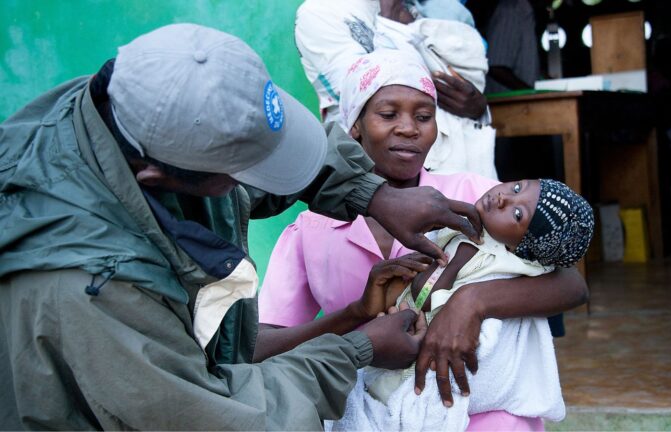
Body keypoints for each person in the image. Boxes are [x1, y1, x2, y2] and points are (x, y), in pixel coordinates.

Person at [0, 24, 497, 430]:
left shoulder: (135, 97)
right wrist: (357, 348)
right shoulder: (93, 286)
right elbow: (217, 417)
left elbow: (260, 138)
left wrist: (374, 194)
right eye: (245, 172)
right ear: (159, 178)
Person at [258, 48, 589, 431]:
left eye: (424, 116)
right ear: (355, 126)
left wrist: (470, 303)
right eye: (387, 114)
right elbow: (261, 345)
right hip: (369, 406)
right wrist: (355, 322)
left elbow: (571, 284)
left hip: (474, 408)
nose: (409, 128)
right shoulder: (310, 231)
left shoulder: (473, 196)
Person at [332, 178, 595, 431]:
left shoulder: (511, 268)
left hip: (428, 383)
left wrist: (470, 301)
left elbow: (571, 284)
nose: (504, 198)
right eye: (517, 187)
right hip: (385, 362)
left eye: (517, 215)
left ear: (525, 250)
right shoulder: (460, 227)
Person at [295, 0, 498, 178]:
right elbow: (367, 93)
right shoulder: (319, 12)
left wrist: (478, 108)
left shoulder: (426, 9)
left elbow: (459, 79)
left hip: (460, 167)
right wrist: (390, 17)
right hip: (376, 183)